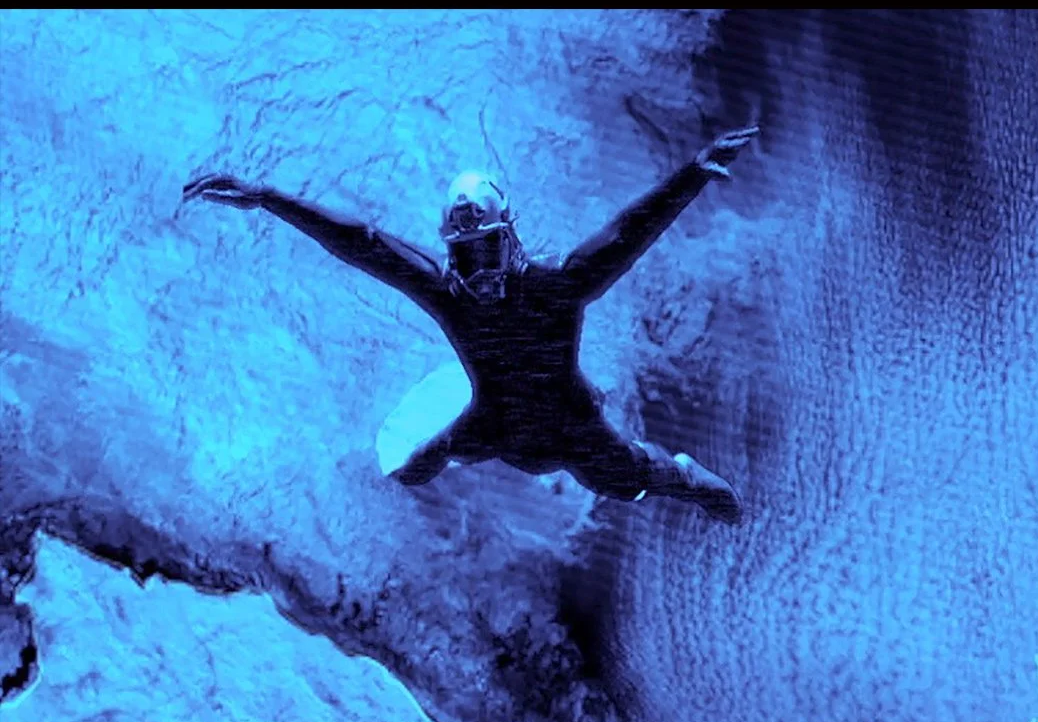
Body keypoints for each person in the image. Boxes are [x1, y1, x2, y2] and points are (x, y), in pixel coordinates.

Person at [182, 126, 761, 522]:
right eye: (466, 257)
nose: (478, 272)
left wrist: (691, 175)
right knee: (412, 471)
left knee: (632, 480)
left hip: (571, 431)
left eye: (487, 252)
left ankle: (684, 473)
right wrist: (268, 198)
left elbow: (626, 233)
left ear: (510, 240)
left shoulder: (558, 286)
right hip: (495, 426)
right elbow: (362, 243)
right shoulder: (447, 293)